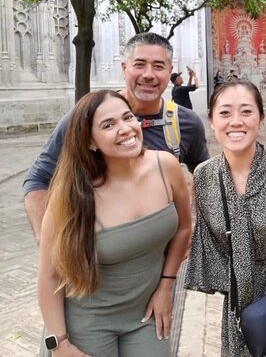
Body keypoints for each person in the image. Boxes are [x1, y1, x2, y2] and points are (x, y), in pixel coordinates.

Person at [37, 90, 192, 356]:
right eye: (108, 125)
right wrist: (60, 344)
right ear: (90, 142)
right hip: (87, 322)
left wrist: (166, 285)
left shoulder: (165, 166)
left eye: (127, 117)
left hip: (146, 314)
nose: (125, 129)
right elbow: (49, 276)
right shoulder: (71, 193)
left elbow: (184, 228)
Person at [23, 32, 209, 244]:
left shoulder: (186, 123)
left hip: (159, 259)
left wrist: (194, 228)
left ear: (169, 72)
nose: (148, 74)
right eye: (139, 64)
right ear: (124, 68)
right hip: (97, 259)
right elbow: (39, 179)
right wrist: (48, 243)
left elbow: (205, 177)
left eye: (158, 66)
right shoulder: (86, 117)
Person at [185, 80, 266, 357]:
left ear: (261, 119)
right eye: (225, 113)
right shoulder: (205, 176)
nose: (236, 122)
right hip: (239, 306)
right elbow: (210, 244)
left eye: (246, 112)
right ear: (212, 121)